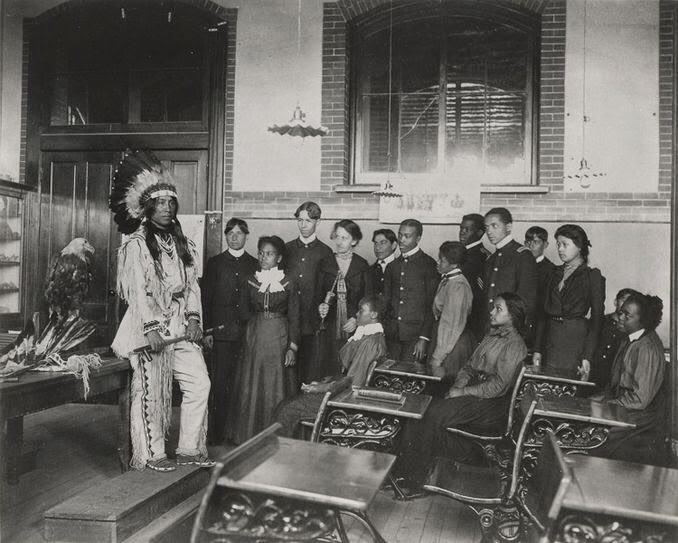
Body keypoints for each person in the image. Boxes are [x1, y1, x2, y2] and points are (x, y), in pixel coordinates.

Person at [109, 150, 213, 471]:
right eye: (160, 203)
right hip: (148, 331)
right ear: (148, 207)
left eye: (171, 203)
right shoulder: (137, 245)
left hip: (180, 327)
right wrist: (151, 327)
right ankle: (152, 453)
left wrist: (194, 318)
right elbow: (138, 292)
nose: (167, 208)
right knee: (152, 391)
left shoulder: (184, 244)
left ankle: (189, 448)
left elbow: (192, 285)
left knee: (200, 384)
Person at [397, 293, 528, 491]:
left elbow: (498, 387)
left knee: (431, 414)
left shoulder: (515, 345)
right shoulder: (491, 335)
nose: (492, 312)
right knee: (422, 404)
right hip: (473, 394)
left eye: (498, 309)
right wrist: (457, 386)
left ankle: (414, 482)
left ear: (512, 315)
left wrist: (462, 392)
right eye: (493, 307)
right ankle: (405, 472)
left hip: (490, 404)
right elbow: (469, 367)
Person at [273, 296, 387, 438]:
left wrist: (322, 388)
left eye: (361, 311)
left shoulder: (370, 343)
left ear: (373, 315)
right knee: (290, 403)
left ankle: (283, 455)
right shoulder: (367, 336)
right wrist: (324, 383)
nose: (356, 314)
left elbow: (354, 382)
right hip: (342, 393)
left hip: (345, 402)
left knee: (286, 408)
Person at [229, 236, 300, 444]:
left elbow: (295, 317)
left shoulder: (288, 282)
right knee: (253, 383)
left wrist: (292, 347)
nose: (263, 257)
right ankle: (250, 434)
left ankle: (276, 436)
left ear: (278, 258)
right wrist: (251, 329)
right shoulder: (251, 280)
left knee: (275, 384)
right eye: (261, 253)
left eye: (269, 254)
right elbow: (243, 312)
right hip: (256, 337)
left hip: (279, 337)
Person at [591, 293, 668, 465]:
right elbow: (615, 384)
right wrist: (596, 401)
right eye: (621, 312)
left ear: (643, 321)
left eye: (627, 315)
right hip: (624, 411)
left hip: (638, 421)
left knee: (592, 437)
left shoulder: (646, 347)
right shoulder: (629, 339)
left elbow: (640, 400)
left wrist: (606, 404)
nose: (619, 317)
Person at [201, 218, 258, 445]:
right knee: (219, 383)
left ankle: (237, 434)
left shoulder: (254, 264)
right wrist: (207, 331)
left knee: (242, 384)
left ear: (246, 236)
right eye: (230, 233)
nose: (234, 237)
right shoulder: (215, 263)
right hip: (221, 335)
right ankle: (216, 433)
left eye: (239, 233)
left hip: (246, 334)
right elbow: (206, 299)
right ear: (225, 236)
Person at [533, 225, 605, 379]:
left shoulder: (592, 276)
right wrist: (537, 349)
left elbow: (597, 319)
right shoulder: (553, 273)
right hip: (550, 339)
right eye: (558, 244)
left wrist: (587, 356)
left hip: (574, 341)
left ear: (579, 246)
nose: (560, 249)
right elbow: (542, 315)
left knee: (567, 387)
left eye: (565, 244)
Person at [314, 220, 372, 379]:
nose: (339, 242)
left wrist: (356, 320)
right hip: (329, 327)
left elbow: (368, 298)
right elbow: (317, 295)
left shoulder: (362, 265)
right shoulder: (325, 263)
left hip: (354, 327)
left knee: (350, 370)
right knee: (328, 368)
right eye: (337, 237)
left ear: (354, 241)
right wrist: (320, 306)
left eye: (344, 238)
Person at [286, 202, 333, 385]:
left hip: (311, 323)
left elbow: (329, 288)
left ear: (317, 222)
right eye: (300, 220)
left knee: (308, 372)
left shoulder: (325, 252)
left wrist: (325, 304)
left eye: (308, 220)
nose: (303, 225)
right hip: (288, 322)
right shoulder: (287, 249)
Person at [383, 219, 439, 362]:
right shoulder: (392, 266)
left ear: (418, 238)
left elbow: (431, 305)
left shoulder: (428, 265)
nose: (401, 240)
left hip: (415, 336)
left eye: (407, 236)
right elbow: (386, 301)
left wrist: (424, 337)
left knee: (408, 377)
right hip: (392, 334)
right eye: (400, 235)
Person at [483, 208, 538, 334]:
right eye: (487, 227)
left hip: (511, 331)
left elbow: (526, 299)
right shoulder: (491, 259)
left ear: (508, 227)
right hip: (490, 329)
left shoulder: (522, 255)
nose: (489, 231)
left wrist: (514, 328)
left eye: (494, 226)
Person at [429, 242, 476, 383]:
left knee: (445, 383)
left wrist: (438, 357)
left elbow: (452, 324)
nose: (437, 263)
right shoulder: (448, 281)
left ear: (454, 264)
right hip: (445, 337)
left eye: (442, 260)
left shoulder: (457, 286)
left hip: (452, 344)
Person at [591, 288, 640, 392]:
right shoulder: (599, 321)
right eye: (623, 300)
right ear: (615, 301)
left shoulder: (630, 330)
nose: (625, 304)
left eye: (629, 301)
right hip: (591, 375)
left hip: (612, 381)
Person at [524, 226, 556, 351]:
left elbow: (545, 309)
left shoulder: (551, 271)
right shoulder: (520, 265)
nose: (531, 246)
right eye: (528, 242)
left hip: (538, 328)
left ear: (546, 244)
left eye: (536, 242)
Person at [459, 213, 489, 341]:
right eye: (461, 228)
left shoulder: (482, 256)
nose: (462, 232)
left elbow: (480, 292)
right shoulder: (458, 253)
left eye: (467, 229)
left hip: (472, 319)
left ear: (480, 233)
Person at [370, 228, 399, 298]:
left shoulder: (402, 268)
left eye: (382, 243)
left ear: (393, 245)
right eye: (375, 243)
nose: (377, 247)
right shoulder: (369, 270)